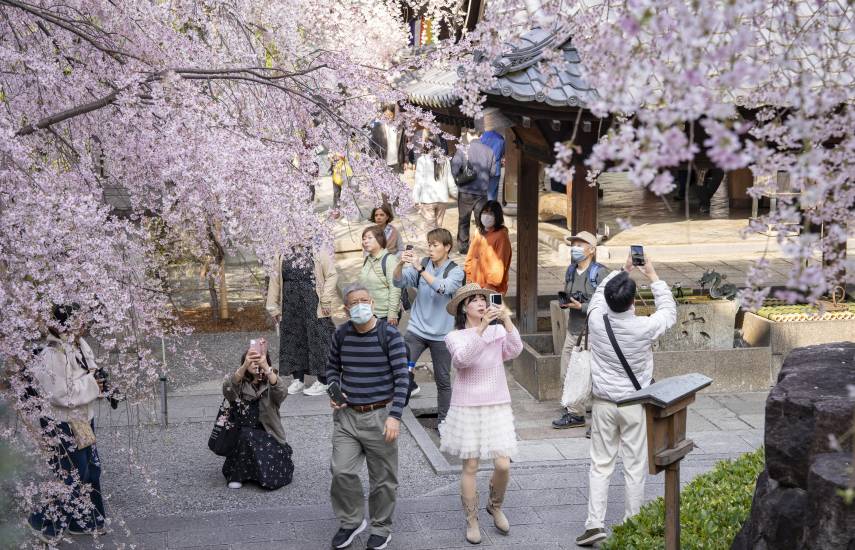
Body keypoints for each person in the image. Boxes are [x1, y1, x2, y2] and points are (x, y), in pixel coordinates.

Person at [575, 255, 677, 547]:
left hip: (604, 404)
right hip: (635, 405)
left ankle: (594, 523)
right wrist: (653, 276)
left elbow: (597, 293)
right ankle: (632, 523)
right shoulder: (643, 327)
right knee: (634, 466)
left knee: (600, 465)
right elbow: (669, 312)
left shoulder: (596, 318)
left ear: (608, 300)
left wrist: (622, 270)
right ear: (633, 302)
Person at [327, 283, 409, 550]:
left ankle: (381, 527)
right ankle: (351, 521)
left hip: (380, 416)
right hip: (347, 417)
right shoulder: (341, 334)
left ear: (372, 303)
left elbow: (402, 378)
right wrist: (334, 390)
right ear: (346, 308)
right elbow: (331, 368)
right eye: (354, 302)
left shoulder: (390, 335)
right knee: (341, 470)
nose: (360, 305)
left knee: (383, 478)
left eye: (365, 300)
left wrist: (395, 416)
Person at [441, 283, 523, 545]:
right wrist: (482, 328)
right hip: (466, 406)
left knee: (502, 464)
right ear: (464, 308)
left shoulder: (498, 329)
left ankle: (494, 505)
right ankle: (472, 519)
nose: (480, 303)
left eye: (482, 299)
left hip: (497, 403)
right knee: (471, 465)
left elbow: (515, 350)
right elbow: (463, 360)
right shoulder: (454, 336)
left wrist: (507, 320)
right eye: (474, 300)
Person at [28, 305, 107, 543]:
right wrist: (93, 385)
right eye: (79, 321)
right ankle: (44, 523)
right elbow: (61, 395)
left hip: (82, 417)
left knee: (91, 468)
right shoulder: (52, 354)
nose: (84, 325)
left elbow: (88, 370)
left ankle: (82, 520)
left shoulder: (76, 344)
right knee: (70, 473)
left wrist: (98, 381)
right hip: (62, 421)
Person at [393, 228, 465, 423]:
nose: (430, 249)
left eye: (435, 245)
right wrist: (400, 263)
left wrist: (420, 270)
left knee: (443, 381)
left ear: (447, 247)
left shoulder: (456, 271)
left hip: (442, 335)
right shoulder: (423, 264)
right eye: (429, 245)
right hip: (416, 330)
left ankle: (444, 422)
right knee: (400, 371)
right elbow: (398, 282)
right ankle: (395, 415)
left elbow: (444, 288)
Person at [551, 231, 610, 430]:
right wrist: (566, 303)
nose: (575, 248)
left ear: (591, 250)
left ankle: (577, 413)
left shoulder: (600, 273)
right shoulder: (570, 270)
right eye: (573, 244)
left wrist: (582, 307)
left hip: (593, 332)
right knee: (567, 371)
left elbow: (608, 303)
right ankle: (576, 408)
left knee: (588, 373)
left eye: (579, 244)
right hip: (573, 329)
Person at [221, 341, 294, 490]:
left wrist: (266, 367)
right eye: (251, 361)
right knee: (245, 435)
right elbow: (227, 390)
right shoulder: (240, 384)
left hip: (269, 436)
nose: (255, 364)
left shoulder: (270, 383)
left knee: (271, 477)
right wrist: (244, 366)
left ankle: (249, 474)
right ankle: (238, 475)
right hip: (242, 439)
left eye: (258, 361)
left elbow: (282, 392)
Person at [266, 247, 338, 396]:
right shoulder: (281, 252)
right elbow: (275, 281)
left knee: (318, 340)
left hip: (314, 302)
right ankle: (297, 380)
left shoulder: (318, 249)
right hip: (290, 304)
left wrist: (325, 300)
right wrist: (273, 306)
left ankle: (323, 381)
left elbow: (331, 275)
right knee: (293, 340)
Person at [451, 130, 495, 254]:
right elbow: (493, 172)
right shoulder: (489, 151)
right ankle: (482, 244)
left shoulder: (462, 150)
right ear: (481, 135)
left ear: (469, 135)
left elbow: (454, 169)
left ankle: (463, 247)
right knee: (481, 219)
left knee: (464, 219)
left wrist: (459, 179)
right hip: (482, 191)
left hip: (465, 190)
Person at [464, 200, 512, 294]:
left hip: (493, 289)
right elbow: (470, 257)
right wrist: (468, 278)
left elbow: (499, 264)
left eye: (490, 213)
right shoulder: (478, 232)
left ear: (497, 216)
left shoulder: (501, 236)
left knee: (492, 309)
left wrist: (489, 286)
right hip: (474, 285)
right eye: (484, 212)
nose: (486, 216)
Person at [413, 133, 457, 231]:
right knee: (438, 227)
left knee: (430, 229)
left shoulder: (422, 160)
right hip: (442, 198)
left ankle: (433, 245)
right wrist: (456, 195)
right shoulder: (445, 160)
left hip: (427, 200)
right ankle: (439, 244)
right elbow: (450, 181)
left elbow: (418, 182)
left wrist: (416, 199)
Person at [359, 225, 401, 327]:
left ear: (380, 239)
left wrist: (392, 313)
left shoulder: (390, 260)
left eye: (369, 238)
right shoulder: (367, 259)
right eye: (364, 239)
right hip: (369, 314)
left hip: (385, 316)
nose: (365, 241)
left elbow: (395, 288)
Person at [370, 104, 406, 174]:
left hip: (396, 161)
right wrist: (374, 160)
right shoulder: (377, 128)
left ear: (394, 115)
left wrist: (405, 161)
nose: (387, 117)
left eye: (390, 115)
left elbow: (403, 145)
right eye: (385, 115)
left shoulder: (400, 128)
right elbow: (372, 145)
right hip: (382, 162)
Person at [479, 129, 505, 202]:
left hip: (483, 166)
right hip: (496, 167)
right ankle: (491, 209)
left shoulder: (482, 137)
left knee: (482, 191)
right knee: (492, 192)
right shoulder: (500, 138)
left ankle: (483, 207)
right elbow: (503, 152)